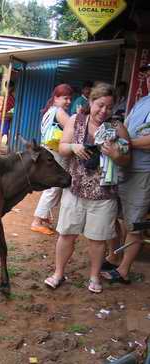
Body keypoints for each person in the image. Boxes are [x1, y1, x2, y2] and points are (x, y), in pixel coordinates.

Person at [45, 83, 131, 294]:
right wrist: (74, 147)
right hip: (75, 190)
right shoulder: (76, 121)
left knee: (97, 239)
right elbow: (63, 147)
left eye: (109, 107)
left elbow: (127, 159)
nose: (104, 111)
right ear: (91, 102)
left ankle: (94, 277)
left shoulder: (117, 127)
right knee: (66, 234)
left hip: (104, 194)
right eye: (100, 105)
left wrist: (116, 154)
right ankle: (58, 273)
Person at [102, 65, 150, 284]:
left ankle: (123, 271)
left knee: (134, 223)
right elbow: (125, 128)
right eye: (148, 74)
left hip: (143, 171)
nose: (148, 77)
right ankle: (114, 256)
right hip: (123, 166)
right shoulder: (142, 102)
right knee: (112, 215)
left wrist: (123, 143)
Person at [31, 84, 73, 235]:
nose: (68, 101)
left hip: (49, 151)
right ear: (56, 98)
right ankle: (37, 220)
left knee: (52, 188)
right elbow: (74, 128)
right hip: (56, 153)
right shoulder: (59, 111)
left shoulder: (50, 110)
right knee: (54, 188)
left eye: (70, 98)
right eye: (65, 98)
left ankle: (43, 217)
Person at [0, 81, 15, 149]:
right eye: (7, 87)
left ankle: (8, 148)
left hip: (7, 116)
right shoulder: (9, 96)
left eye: (8, 87)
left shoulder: (10, 95)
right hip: (5, 117)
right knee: (2, 133)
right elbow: (7, 106)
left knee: (7, 133)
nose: (7, 88)